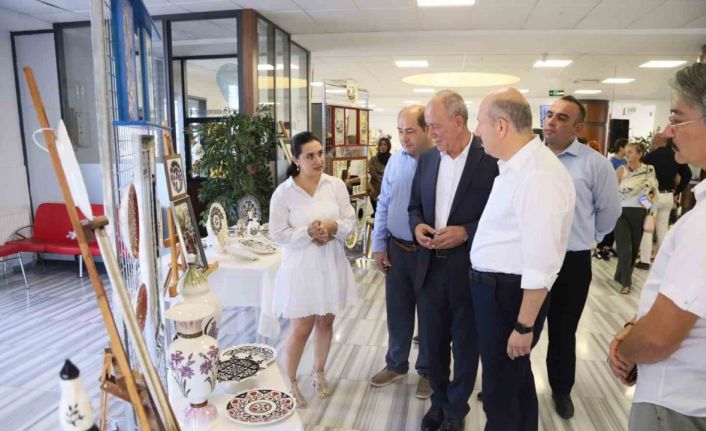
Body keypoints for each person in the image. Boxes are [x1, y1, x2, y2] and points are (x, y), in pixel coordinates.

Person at [470, 88, 576, 431]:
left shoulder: (538, 175)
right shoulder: (516, 166)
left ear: (501, 126)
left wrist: (523, 326)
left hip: (510, 295)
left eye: (480, 122)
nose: (476, 131)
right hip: (499, 291)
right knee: (513, 381)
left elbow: (540, 262)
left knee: (501, 392)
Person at [609, 62, 706, 431]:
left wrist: (624, 351)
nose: (667, 131)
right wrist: (635, 324)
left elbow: (660, 337)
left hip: (678, 402)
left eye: (677, 118)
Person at [409, 90, 498, 431]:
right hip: (430, 268)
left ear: (459, 122)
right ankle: (439, 402)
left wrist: (466, 232)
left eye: (435, 126)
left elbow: (502, 217)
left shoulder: (491, 160)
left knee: (465, 346)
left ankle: (456, 409)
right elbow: (415, 206)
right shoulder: (428, 159)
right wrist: (417, 226)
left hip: (470, 270)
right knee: (433, 344)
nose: (429, 133)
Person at [543, 96, 621, 419]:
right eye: (550, 115)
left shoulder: (595, 164)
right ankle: (507, 383)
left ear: (577, 128)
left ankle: (561, 389)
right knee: (519, 327)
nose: (551, 121)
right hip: (529, 259)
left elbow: (609, 212)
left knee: (563, 331)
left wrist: (588, 238)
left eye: (562, 118)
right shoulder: (528, 158)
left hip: (572, 261)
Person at [268, 131, 357, 408]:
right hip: (301, 268)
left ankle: (319, 372)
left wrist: (332, 227)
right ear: (296, 159)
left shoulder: (335, 185)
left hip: (330, 263)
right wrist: (307, 232)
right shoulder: (284, 193)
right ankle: (291, 381)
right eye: (310, 156)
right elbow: (277, 233)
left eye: (320, 153)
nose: (318, 160)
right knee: (301, 327)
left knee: (325, 322)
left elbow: (349, 220)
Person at [368, 105, 434, 399]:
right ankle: (396, 364)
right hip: (397, 250)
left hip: (430, 252)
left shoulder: (441, 161)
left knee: (431, 314)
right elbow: (383, 203)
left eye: (410, 131)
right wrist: (379, 245)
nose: (404, 138)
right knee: (397, 311)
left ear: (427, 129)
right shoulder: (396, 161)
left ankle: (429, 370)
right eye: (399, 132)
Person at [636, 133, 692, 269]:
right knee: (663, 228)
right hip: (668, 195)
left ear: (655, 142)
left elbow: (641, 177)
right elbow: (688, 174)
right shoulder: (675, 156)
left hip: (651, 195)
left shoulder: (649, 157)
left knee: (647, 227)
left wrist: (641, 197)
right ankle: (663, 261)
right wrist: (678, 190)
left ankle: (644, 261)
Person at [613, 141, 658, 295]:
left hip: (639, 213)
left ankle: (620, 275)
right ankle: (627, 283)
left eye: (630, 152)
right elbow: (613, 192)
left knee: (633, 249)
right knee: (624, 247)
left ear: (640, 154)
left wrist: (647, 207)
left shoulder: (648, 170)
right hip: (621, 212)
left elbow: (652, 192)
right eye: (626, 151)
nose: (626, 154)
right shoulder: (621, 170)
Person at [595, 138, 630, 260]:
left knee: (617, 224)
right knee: (610, 222)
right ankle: (601, 247)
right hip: (613, 196)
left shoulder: (626, 162)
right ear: (621, 147)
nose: (628, 150)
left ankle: (609, 247)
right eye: (626, 147)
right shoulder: (611, 162)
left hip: (624, 198)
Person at [368, 136, 391, 214]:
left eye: (385, 145)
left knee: (386, 214)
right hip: (374, 192)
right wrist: (385, 179)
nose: (383, 146)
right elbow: (373, 173)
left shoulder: (392, 159)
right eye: (381, 144)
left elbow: (393, 174)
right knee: (376, 213)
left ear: (388, 147)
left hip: (387, 192)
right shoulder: (373, 159)